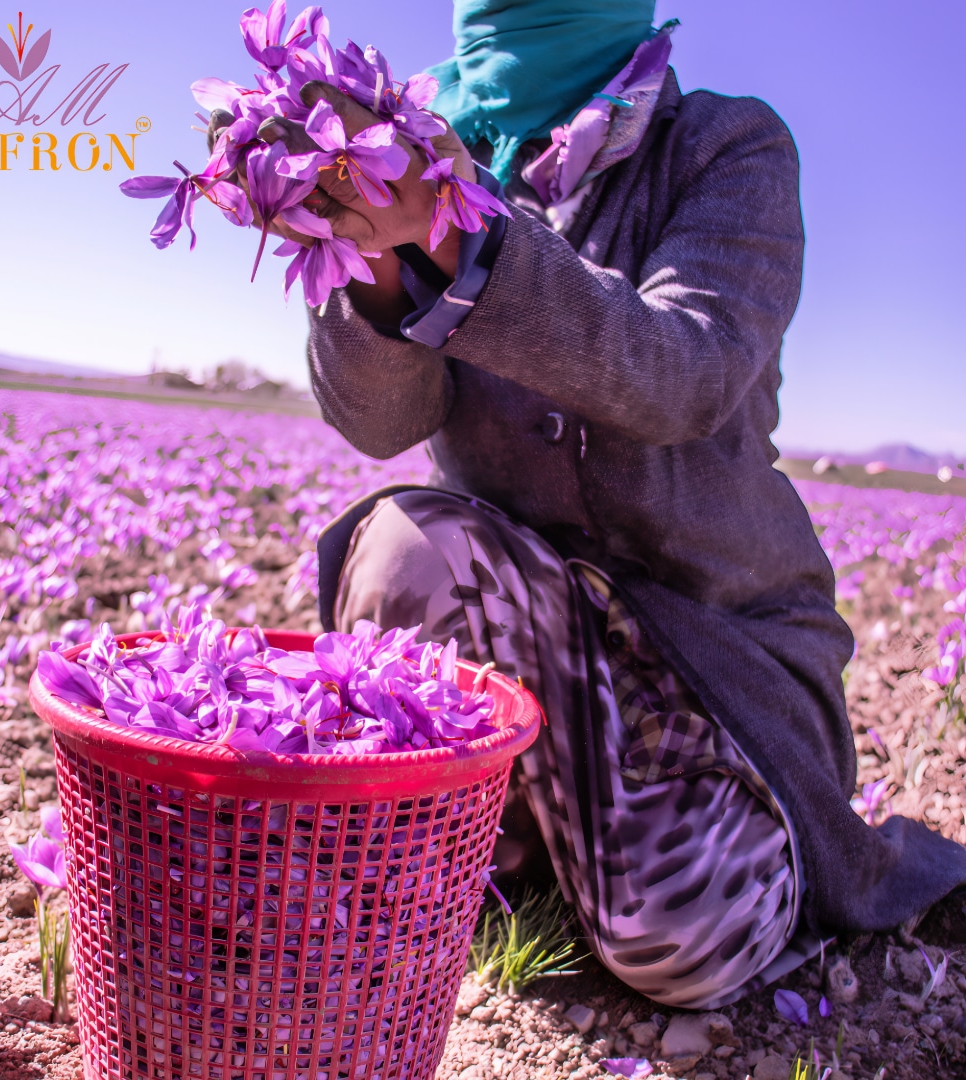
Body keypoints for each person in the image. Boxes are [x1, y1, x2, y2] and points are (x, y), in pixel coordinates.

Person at [217, 0, 966, 1009]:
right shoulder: (425, 149)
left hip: (717, 668)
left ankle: (623, 851)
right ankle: (512, 839)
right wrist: (371, 254)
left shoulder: (724, 146)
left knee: (684, 937)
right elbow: (378, 422)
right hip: (525, 640)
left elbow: (684, 373)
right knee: (407, 542)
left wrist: (458, 221)